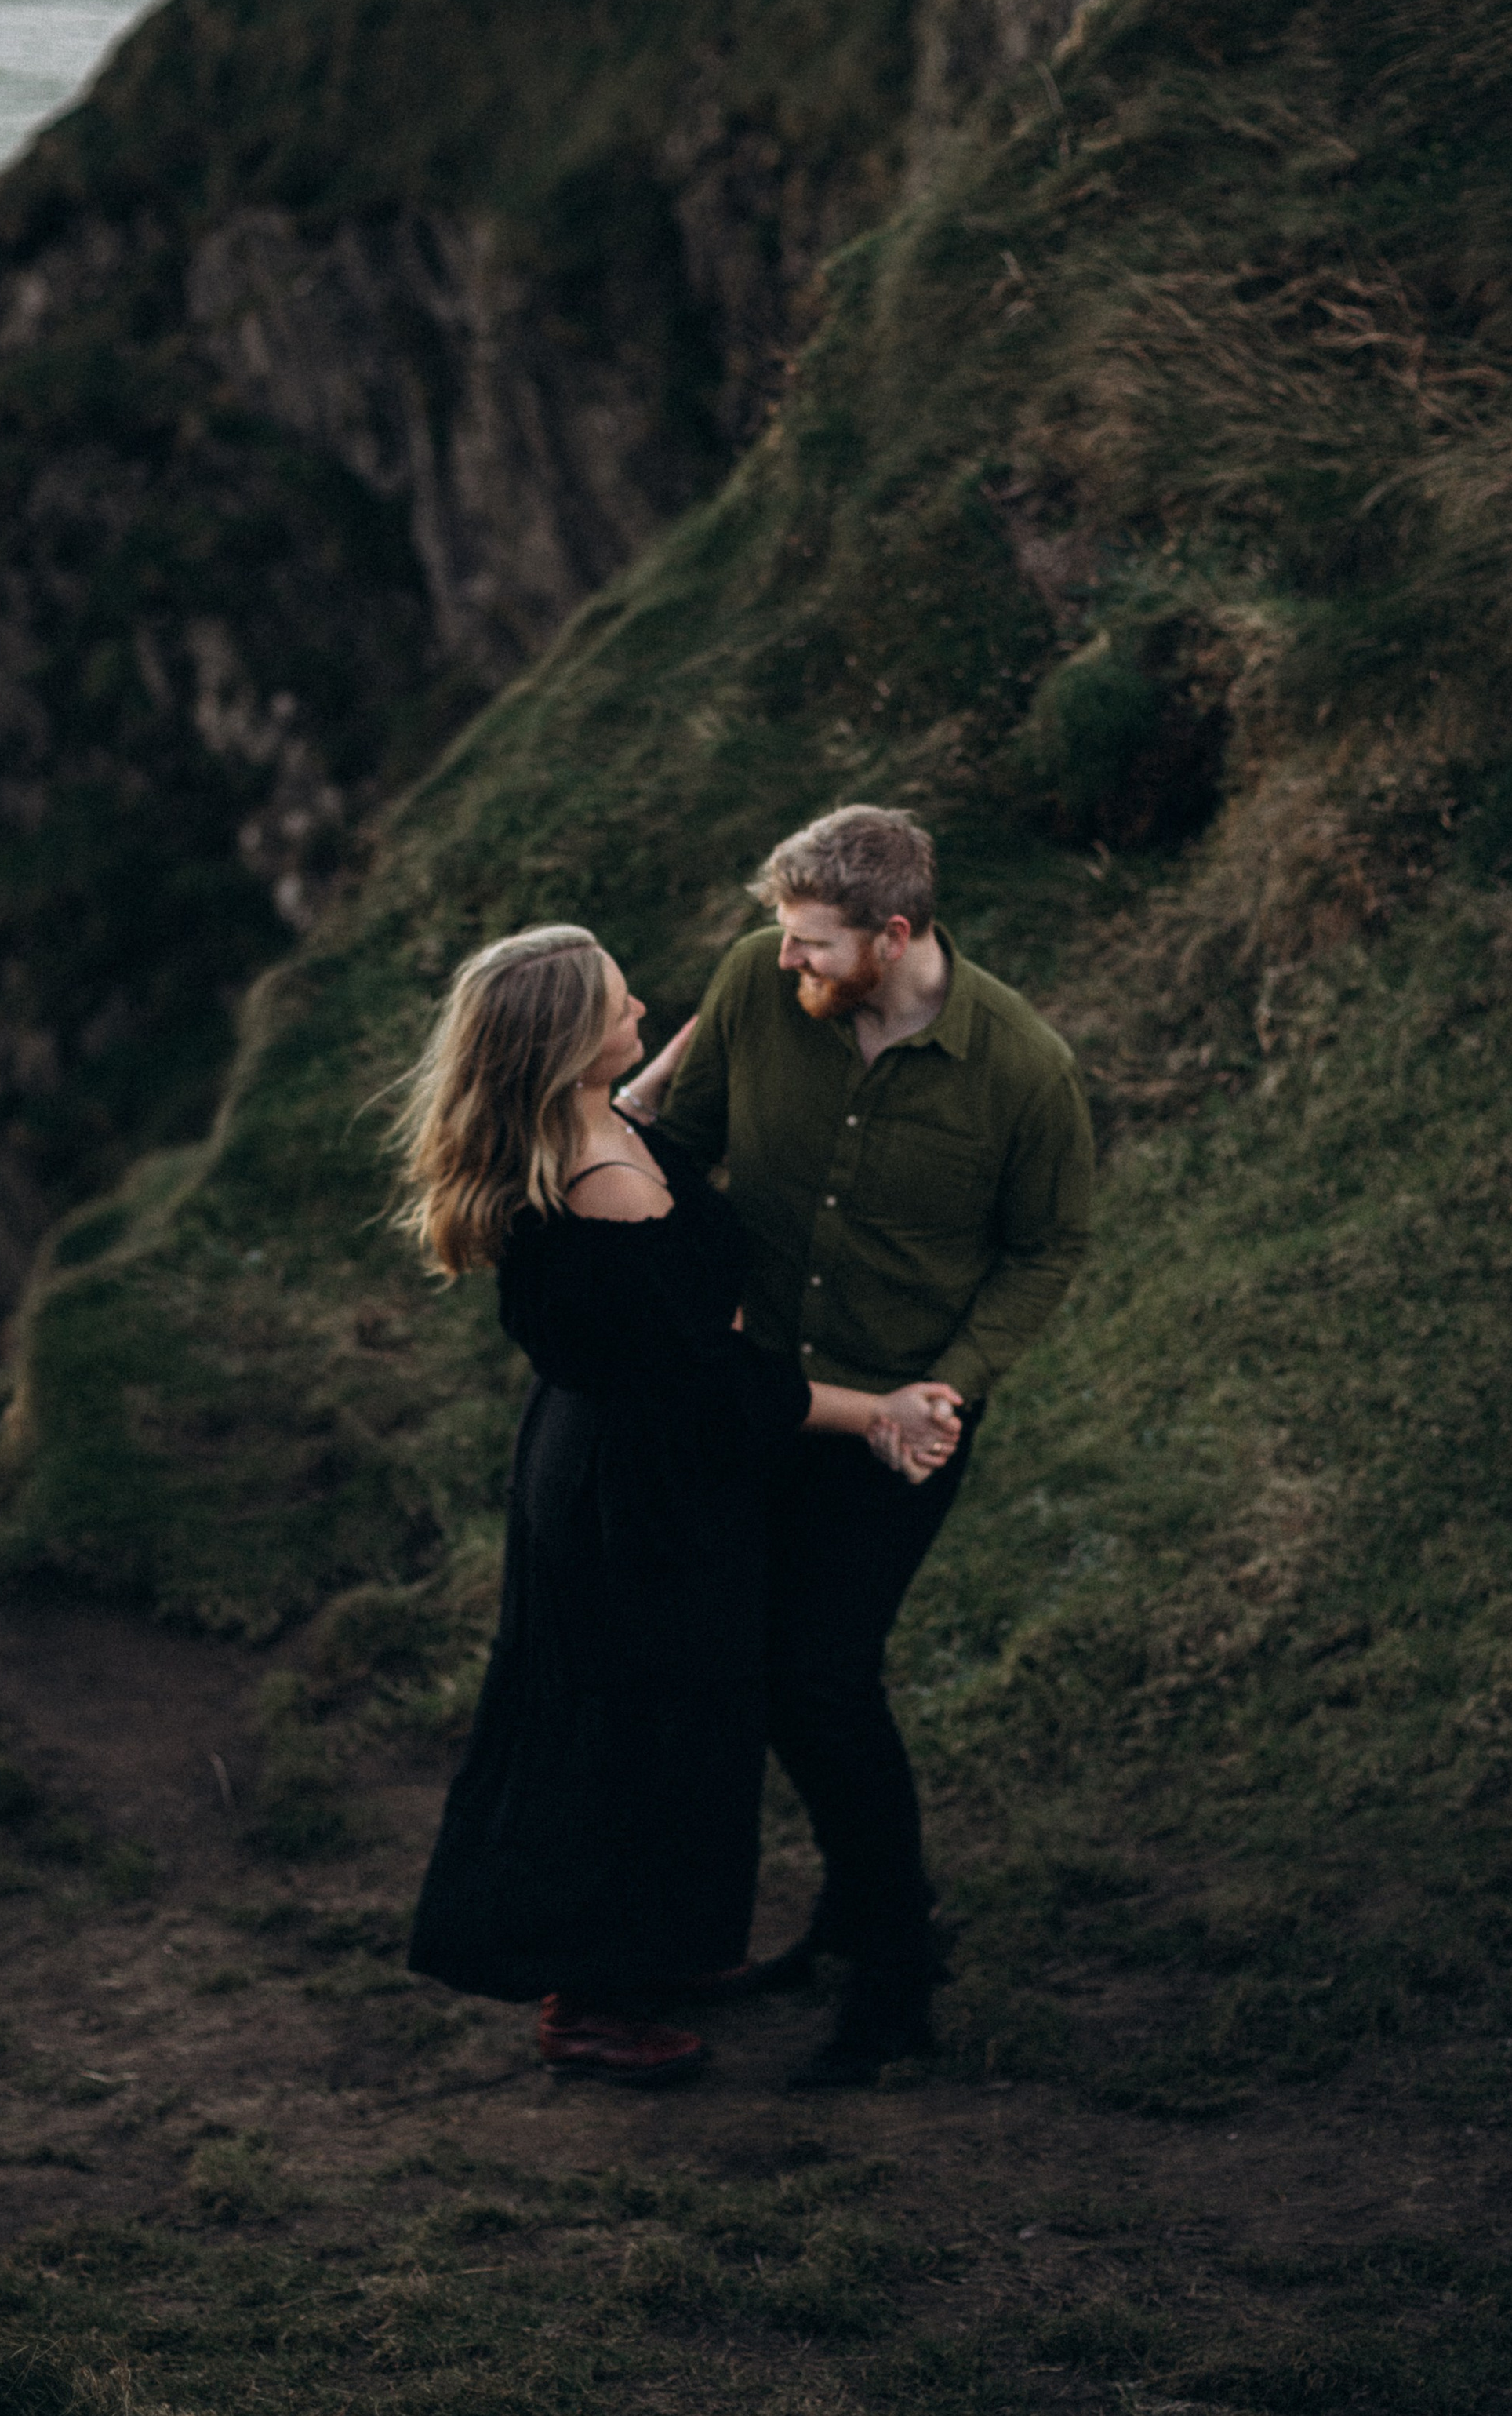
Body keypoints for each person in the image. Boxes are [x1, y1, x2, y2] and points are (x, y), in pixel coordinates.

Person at [395, 923, 964, 2088]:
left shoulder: (572, 1127)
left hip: (610, 1459)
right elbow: (713, 1384)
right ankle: (587, 2000)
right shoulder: (598, 1187)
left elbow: (634, 1118)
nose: (641, 1009)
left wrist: (692, 1052)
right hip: (636, 1487)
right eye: (618, 1005)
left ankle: (642, 1953)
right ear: (564, 1048)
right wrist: (879, 1413)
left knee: (656, 1717)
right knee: (631, 1729)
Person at [623, 806, 1095, 2087]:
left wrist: (955, 1381)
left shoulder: (1025, 1072)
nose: (788, 967)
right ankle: (847, 1914)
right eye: (782, 941)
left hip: (902, 1424)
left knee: (823, 1680)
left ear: (894, 937)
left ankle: (895, 1971)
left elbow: (1050, 1246)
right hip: (756, 1399)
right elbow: (682, 1152)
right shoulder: (751, 984)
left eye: (814, 948)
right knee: (751, 1670)